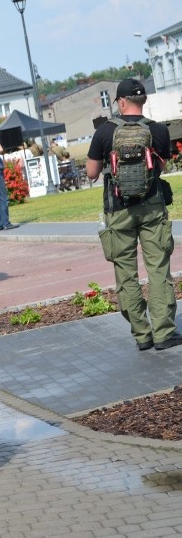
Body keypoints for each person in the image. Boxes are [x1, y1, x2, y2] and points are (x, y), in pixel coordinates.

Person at [87, 78, 180, 351]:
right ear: (144, 100)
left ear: (121, 101)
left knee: (126, 275)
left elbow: (92, 173)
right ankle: (164, 332)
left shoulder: (104, 132)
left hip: (118, 211)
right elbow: (159, 168)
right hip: (152, 208)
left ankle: (142, 335)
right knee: (158, 269)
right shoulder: (159, 130)